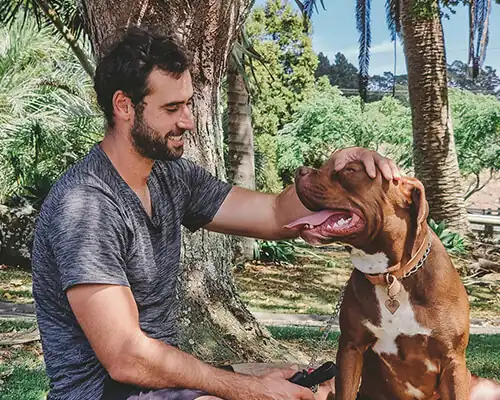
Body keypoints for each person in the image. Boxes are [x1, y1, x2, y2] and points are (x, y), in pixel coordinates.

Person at [31, 27, 400, 400]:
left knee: (320, 388)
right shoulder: (87, 204)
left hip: (158, 385)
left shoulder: (170, 176)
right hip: (104, 393)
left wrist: (334, 171)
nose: (188, 121)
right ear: (124, 106)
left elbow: (274, 214)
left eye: (188, 104)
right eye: (172, 108)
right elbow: (126, 358)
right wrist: (247, 388)